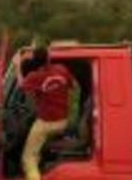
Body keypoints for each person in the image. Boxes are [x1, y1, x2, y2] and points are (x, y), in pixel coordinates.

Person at [13, 47, 76, 180]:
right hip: (63, 122)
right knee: (37, 148)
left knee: (28, 158)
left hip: (46, 124)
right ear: (49, 58)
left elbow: (21, 86)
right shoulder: (62, 69)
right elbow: (72, 86)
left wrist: (18, 66)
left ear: (35, 61)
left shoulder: (35, 76)